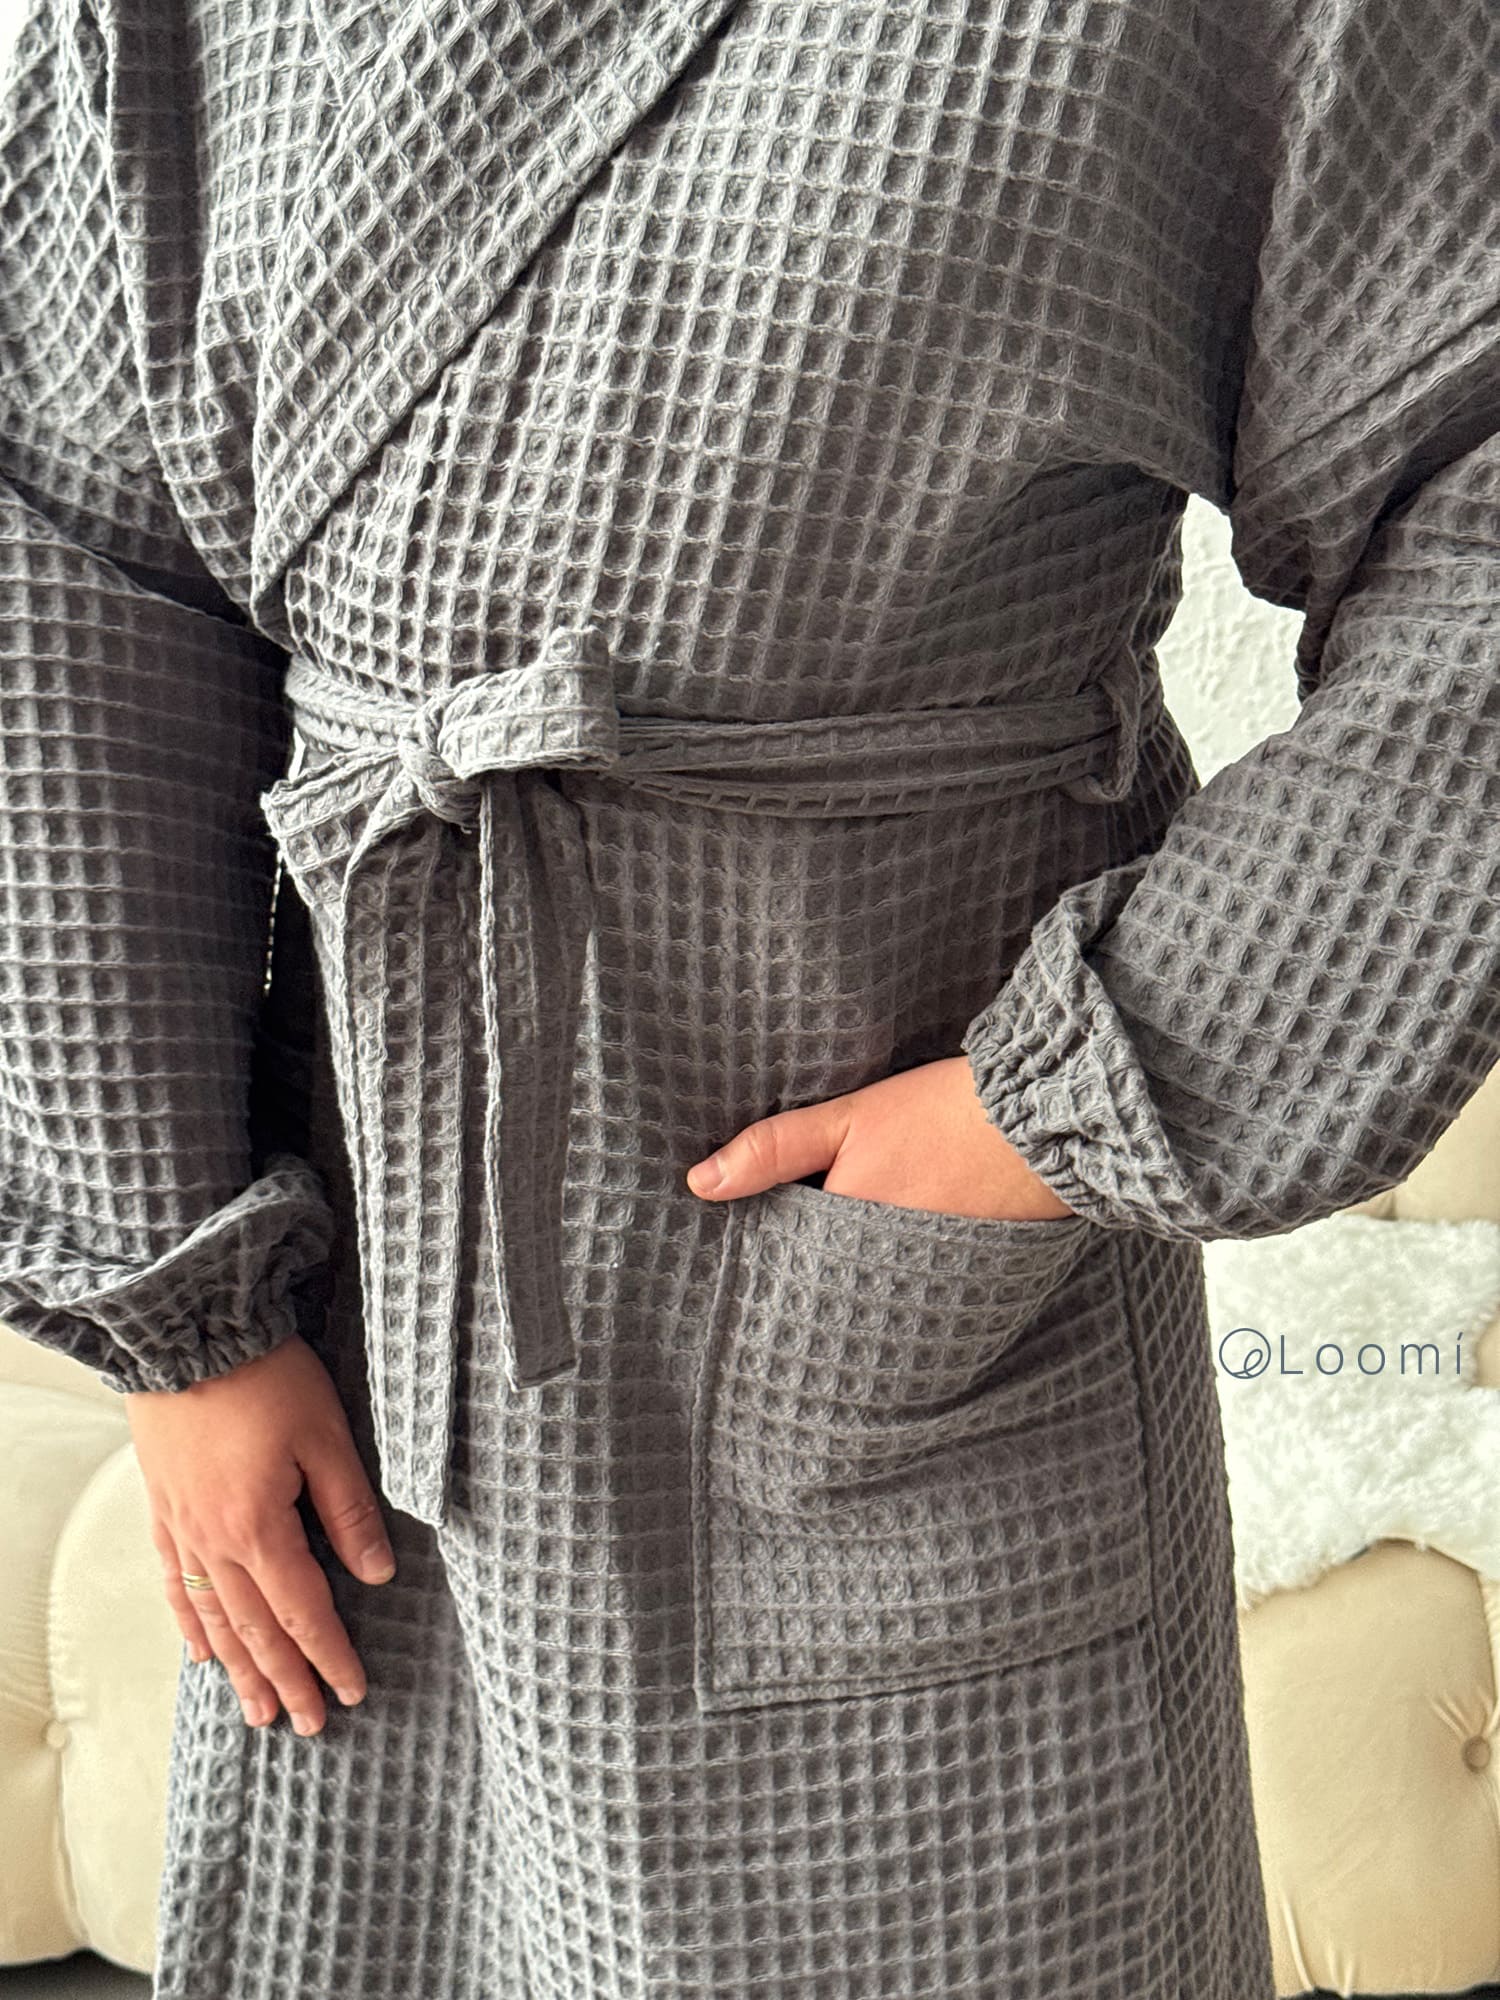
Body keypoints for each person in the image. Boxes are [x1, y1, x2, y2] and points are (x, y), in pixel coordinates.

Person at [0, 0, 1494, 1994]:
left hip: (895, 1256)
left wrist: (1096, 1086)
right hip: (358, 1291)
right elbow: (66, 574)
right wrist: (179, 1309)